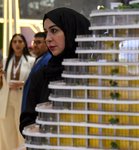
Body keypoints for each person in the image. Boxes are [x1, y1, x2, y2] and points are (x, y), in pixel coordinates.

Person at [20, 8, 91, 136]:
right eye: (46, 32)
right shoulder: (41, 76)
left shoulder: (95, 74)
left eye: (54, 31)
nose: (48, 38)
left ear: (72, 32)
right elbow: (27, 122)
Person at [0, 34, 35, 149]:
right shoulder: (5, 61)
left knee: (22, 131)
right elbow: (1, 84)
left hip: (22, 98)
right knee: (6, 132)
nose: (17, 44)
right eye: (14, 42)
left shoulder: (32, 60)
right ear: (11, 44)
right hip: (6, 99)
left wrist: (22, 83)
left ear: (24, 43)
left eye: (20, 41)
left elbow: (34, 81)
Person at [21, 32, 51, 112]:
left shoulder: (47, 60)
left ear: (47, 44)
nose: (35, 45)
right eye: (34, 42)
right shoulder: (40, 59)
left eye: (39, 42)